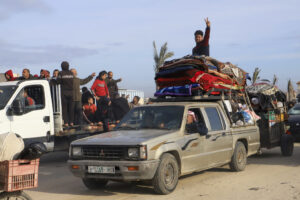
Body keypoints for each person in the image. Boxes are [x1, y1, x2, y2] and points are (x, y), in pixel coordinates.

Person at [56, 61, 75, 127]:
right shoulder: (71, 73)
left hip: (64, 92)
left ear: (61, 67)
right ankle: (71, 122)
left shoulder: (60, 73)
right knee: (71, 108)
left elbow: (58, 81)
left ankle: (66, 122)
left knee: (64, 108)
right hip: (71, 92)